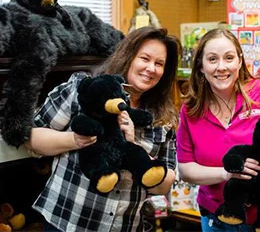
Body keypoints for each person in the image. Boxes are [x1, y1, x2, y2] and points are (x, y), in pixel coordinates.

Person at [25, 26, 180, 232]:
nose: (151, 68)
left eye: (159, 64)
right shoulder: (85, 88)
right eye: (145, 58)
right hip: (66, 221)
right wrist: (75, 140)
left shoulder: (162, 118)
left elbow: (164, 184)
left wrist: (134, 146)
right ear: (128, 56)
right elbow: (31, 137)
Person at [177, 28, 260, 232]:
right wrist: (226, 174)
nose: (221, 67)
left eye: (229, 58)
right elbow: (186, 169)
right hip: (218, 218)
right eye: (212, 59)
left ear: (240, 61)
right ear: (200, 66)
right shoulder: (191, 111)